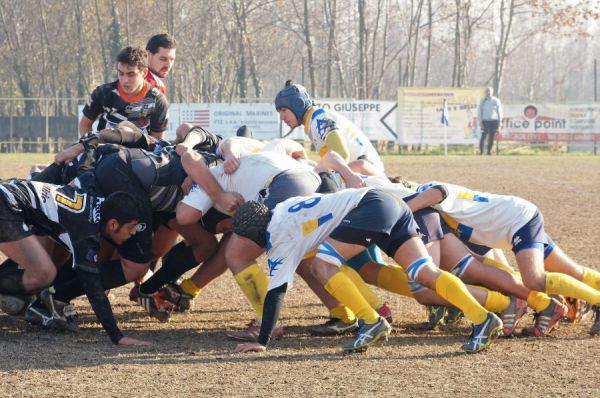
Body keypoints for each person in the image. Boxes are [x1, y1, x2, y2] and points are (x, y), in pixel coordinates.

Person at [232, 188, 503, 354]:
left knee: (322, 266)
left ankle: (370, 321)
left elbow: (276, 292)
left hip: (368, 208)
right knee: (424, 272)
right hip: (386, 202)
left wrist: (263, 340)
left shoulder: (277, 235)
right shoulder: (280, 209)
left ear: (256, 234)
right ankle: (483, 318)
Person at [407, 180, 600, 336]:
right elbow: (493, 261)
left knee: (534, 279)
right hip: (516, 219)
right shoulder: (446, 217)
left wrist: (405, 208)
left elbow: (440, 190)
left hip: (518, 220)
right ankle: (556, 301)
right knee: (571, 271)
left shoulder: (423, 194)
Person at [0, 178, 148, 345]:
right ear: (113, 224)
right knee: (43, 274)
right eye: (131, 227)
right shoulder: (86, 233)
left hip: (12, 195)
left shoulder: (100, 203)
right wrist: (117, 336)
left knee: (58, 257)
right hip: (7, 204)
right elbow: (94, 290)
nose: (134, 232)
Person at [275, 80, 384, 176]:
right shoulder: (314, 119)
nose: (281, 117)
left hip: (371, 174)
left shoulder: (319, 120)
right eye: (279, 112)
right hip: (365, 171)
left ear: (298, 104)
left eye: (284, 110)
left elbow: (342, 155)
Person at [79, 46, 169, 140]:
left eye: (131, 74)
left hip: (141, 151)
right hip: (105, 149)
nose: (124, 80)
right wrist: (92, 146)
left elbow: (157, 140)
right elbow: (84, 125)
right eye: (121, 73)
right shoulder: (103, 93)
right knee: (68, 154)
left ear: (144, 73)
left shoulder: (157, 100)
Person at [477, 87, 503, 155]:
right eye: (487, 91)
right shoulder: (482, 101)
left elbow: (499, 111)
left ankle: (489, 152)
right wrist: (480, 121)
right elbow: (480, 112)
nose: (488, 93)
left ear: (492, 92)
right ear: (485, 92)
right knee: (483, 136)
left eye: (489, 91)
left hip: (494, 121)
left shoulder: (496, 100)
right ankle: (481, 152)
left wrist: (500, 122)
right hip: (485, 121)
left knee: (491, 137)